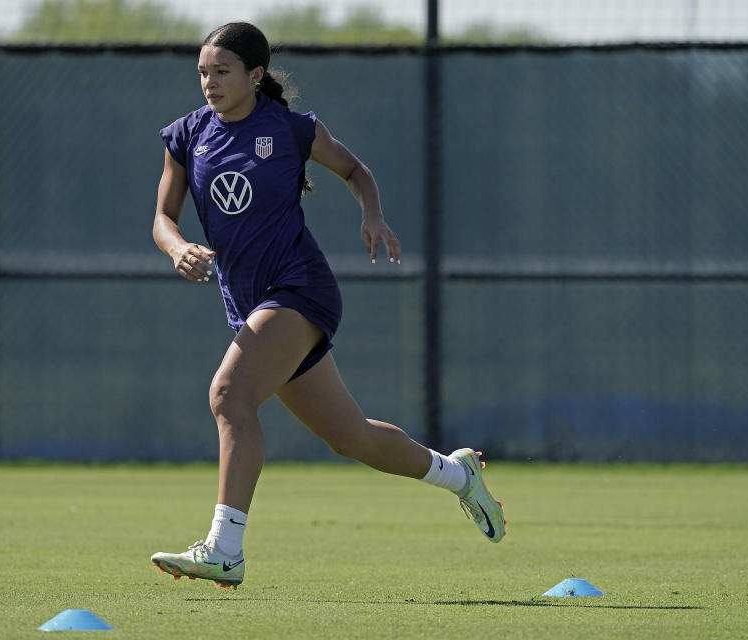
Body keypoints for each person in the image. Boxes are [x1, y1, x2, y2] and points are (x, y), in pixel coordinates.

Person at [150, 22, 505, 591]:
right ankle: (458, 475)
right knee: (351, 437)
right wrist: (177, 247)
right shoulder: (188, 135)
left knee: (228, 395)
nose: (209, 83)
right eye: (202, 73)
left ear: (255, 76)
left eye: (222, 72)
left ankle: (225, 549)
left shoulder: (290, 129)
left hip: (298, 289)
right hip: (249, 303)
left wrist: (372, 215)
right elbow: (163, 218)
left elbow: (355, 171)